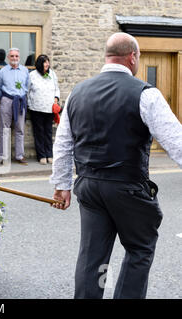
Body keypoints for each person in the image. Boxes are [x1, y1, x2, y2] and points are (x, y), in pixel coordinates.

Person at [50, 32, 182, 299]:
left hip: (88, 187)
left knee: (92, 257)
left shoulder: (77, 92)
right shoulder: (146, 94)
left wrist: (61, 185)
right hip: (127, 187)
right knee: (140, 248)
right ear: (132, 57)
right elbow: (176, 141)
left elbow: (63, 142)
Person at [0, 48, 30, 165]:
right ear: (8, 58)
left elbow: (27, 86)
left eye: (16, 56)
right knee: (4, 128)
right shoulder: (2, 72)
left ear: (19, 57)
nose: (14, 58)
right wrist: (7, 98)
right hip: (7, 100)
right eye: (12, 56)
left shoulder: (25, 71)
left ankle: (19, 156)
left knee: (20, 129)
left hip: (20, 102)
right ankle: (4, 157)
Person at [27, 54, 60, 165]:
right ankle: (41, 155)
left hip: (49, 108)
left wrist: (56, 99)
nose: (47, 64)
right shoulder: (32, 75)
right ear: (39, 64)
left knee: (48, 132)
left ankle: (49, 154)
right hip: (36, 108)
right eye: (45, 62)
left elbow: (56, 88)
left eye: (48, 62)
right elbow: (27, 91)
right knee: (39, 132)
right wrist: (29, 104)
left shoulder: (52, 74)